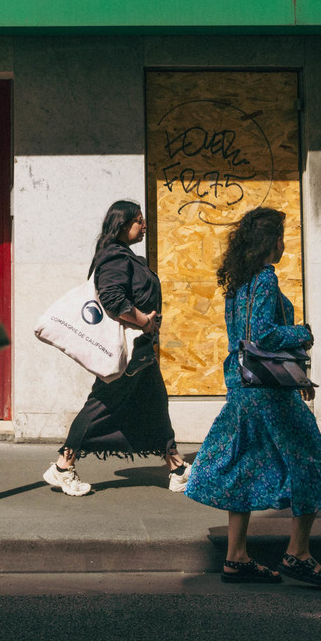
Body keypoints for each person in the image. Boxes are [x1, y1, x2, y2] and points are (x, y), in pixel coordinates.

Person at [186, 207, 321, 589]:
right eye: (282, 236)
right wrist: (302, 333)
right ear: (272, 242)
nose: (284, 244)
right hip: (269, 396)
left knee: (244, 466)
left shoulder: (238, 283)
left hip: (244, 389)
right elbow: (265, 336)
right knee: (311, 460)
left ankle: (236, 558)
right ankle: (298, 554)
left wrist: (295, 375)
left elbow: (244, 343)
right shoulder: (266, 279)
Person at [42, 201, 190, 497]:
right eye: (138, 221)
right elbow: (112, 298)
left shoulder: (125, 256)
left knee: (156, 404)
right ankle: (62, 466)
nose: (144, 225)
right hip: (131, 350)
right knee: (101, 404)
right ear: (122, 226)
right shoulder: (115, 258)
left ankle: (177, 468)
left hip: (142, 350)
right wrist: (144, 321)